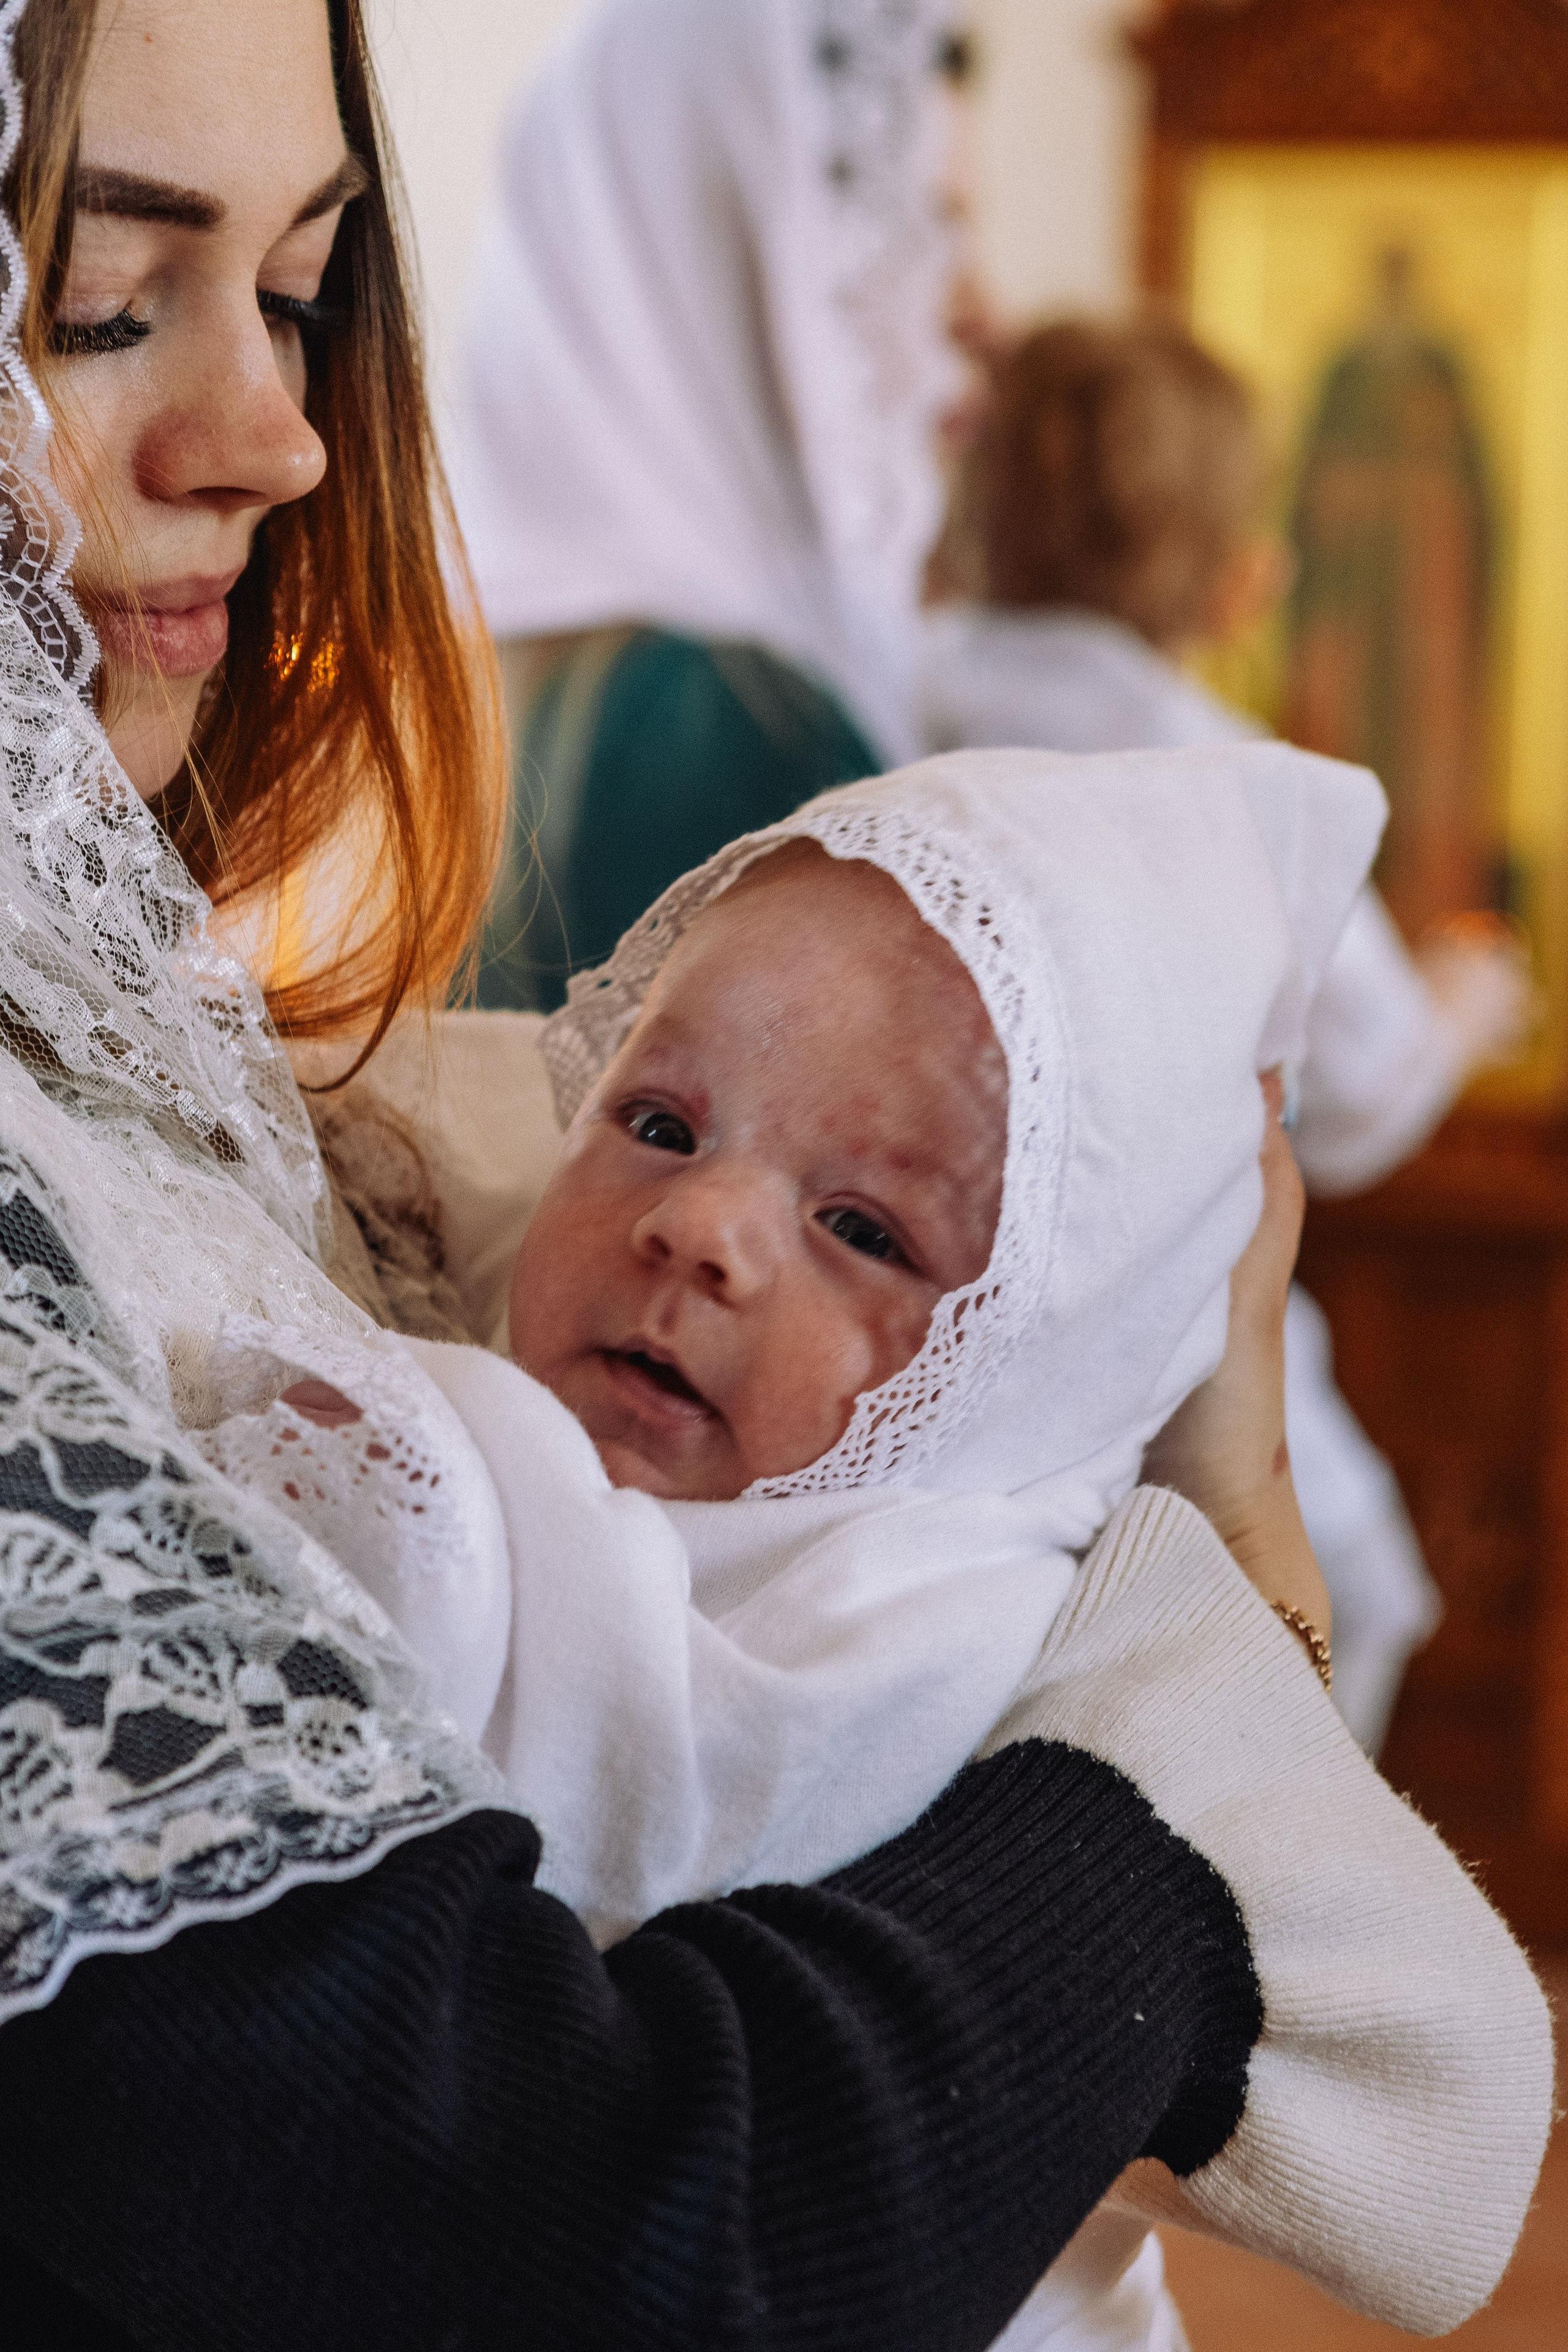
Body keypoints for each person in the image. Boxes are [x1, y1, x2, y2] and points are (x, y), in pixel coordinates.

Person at [0, 7, 1548, 2346]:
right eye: (103, 301)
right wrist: (1221, 1647)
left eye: (311, 290)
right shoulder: (746, 725)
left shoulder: (165, 1032)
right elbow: (560, 2220)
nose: (284, 435)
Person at [923, 315, 1532, 1749]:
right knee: (1349, 1598)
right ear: (1232, 562)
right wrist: (1462, 1002)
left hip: (902, 1292)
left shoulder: (886, 679)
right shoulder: (1225, 767)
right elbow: (1367, 1094)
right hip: (1157, 1312)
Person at [453, 0, 970, 1006]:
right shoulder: (732, 731)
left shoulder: (495, 683)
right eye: (921, 228)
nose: (970, 304)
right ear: (745, 256)